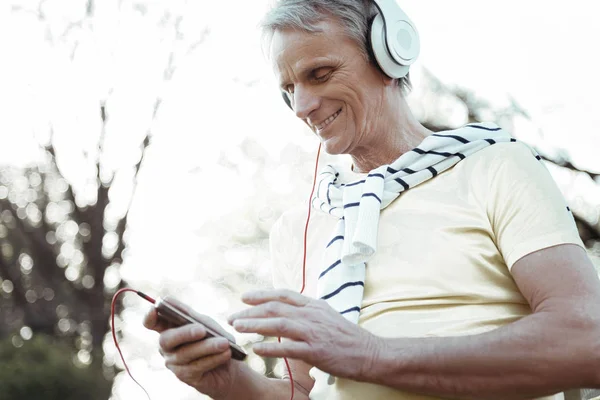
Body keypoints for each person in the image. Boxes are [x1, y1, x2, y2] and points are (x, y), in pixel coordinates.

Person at [143, 1, 600, 399]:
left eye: (319, 74)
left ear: (390, 53)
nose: (301, 106)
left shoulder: (495, 165)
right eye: (288, 90)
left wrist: (370, 355)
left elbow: (586, 340)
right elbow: (300, 392)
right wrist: (233, 384)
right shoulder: (298, 229)